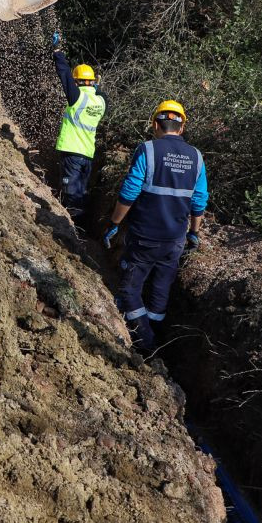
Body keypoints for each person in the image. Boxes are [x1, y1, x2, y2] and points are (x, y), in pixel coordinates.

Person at [103, 100, 208, 358]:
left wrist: (115, 223)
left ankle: (146, 343)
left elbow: (130, 190)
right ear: (182, 128)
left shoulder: (148, 150)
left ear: (155, 124)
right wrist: (193, 232)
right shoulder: (196, 156)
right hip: (174, 239)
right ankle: (156, 336)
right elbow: (199, 199)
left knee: (129, 290)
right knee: (160, 288)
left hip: (144, 236)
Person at [52, 32, 106, 224]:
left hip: (72, 151)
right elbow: (98, 91)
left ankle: (71, 226)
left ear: (76, 81)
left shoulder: (77, 97)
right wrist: (96, 85)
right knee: (81, 190)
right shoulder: (101, 101)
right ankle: (82, 224)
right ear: (92, 81)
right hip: (87, 154)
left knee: (70, 191)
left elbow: (64, 73)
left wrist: (57, 52)